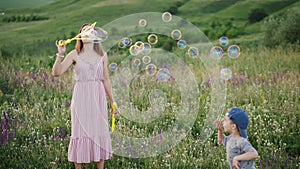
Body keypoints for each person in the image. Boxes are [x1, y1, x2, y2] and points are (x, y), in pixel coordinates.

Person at [52, 23, 117, 169]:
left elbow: (106, 79)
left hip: (98, 96)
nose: (87, 33)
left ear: (96, 37)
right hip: (81, 96)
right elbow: (57, 72)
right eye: (84, 31)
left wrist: (112, 101)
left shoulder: (102, 55)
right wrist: (60, 53)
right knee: (80, 131)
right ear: (80, 36)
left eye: (91, 31)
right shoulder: (75, 54)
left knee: (99, 130)